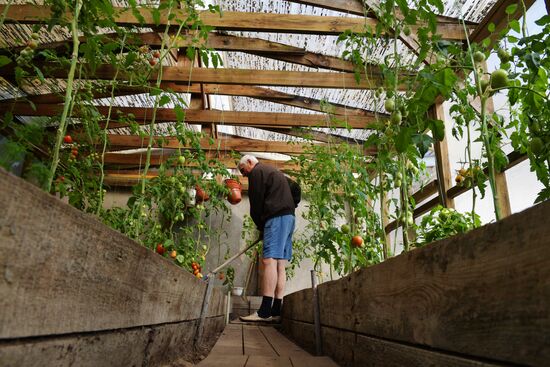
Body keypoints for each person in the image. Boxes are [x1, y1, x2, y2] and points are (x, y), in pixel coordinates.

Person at [238, 154, 296, 322]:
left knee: (268, 261)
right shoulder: (275, 172)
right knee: (280, 264)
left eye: (243, 170)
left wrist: (261, 227)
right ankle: (276, 311)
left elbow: (255, 204)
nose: (244, 175)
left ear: (250, 162)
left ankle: (264, 312)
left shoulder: (257, 172)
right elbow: (296, 190)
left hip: (276, 218)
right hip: (289, 218)